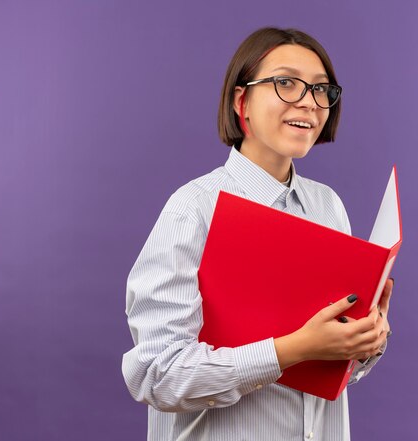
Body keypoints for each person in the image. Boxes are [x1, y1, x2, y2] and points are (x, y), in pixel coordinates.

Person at [122, 27, 395, 441]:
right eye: (286, 82)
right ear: (241, 101)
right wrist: (291, 350)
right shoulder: (195, 208)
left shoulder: (328, 206)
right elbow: (155, 375)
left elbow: (329, 372)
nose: (308, 101)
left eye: (322, 90)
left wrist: (363, 342)